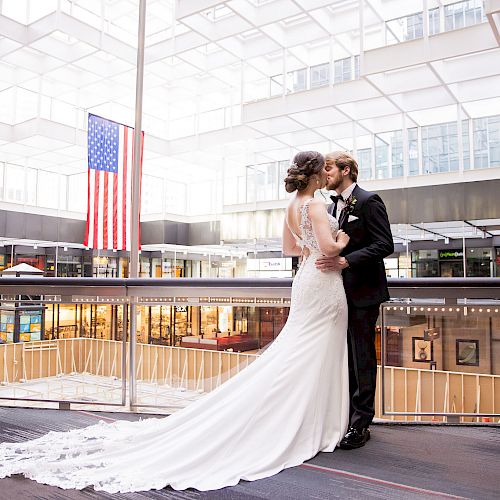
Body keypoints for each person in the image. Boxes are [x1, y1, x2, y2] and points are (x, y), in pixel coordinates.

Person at [0, 151, 350, 493]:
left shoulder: (291, 207)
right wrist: (343, 239)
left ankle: (299, 418)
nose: (327, 174)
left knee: (298, 351)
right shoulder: (316, 205)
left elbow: (292, 249)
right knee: (312, 351)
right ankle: (314, 423)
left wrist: (317, 249)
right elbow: (329, 249)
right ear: (317, 173)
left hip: (306, 279)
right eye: (325, 170)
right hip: (324, 282)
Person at [316, 151, 393, 449]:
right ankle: (343, 417)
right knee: (342, 356)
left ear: (345, 170)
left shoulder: (369, 200)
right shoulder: (329, 205)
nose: (326, 174)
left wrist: (346, 262)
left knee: (361, 357)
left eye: (330, 169)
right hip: (336, 293)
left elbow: (385, 244)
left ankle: (361, 424)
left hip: (363, 293)